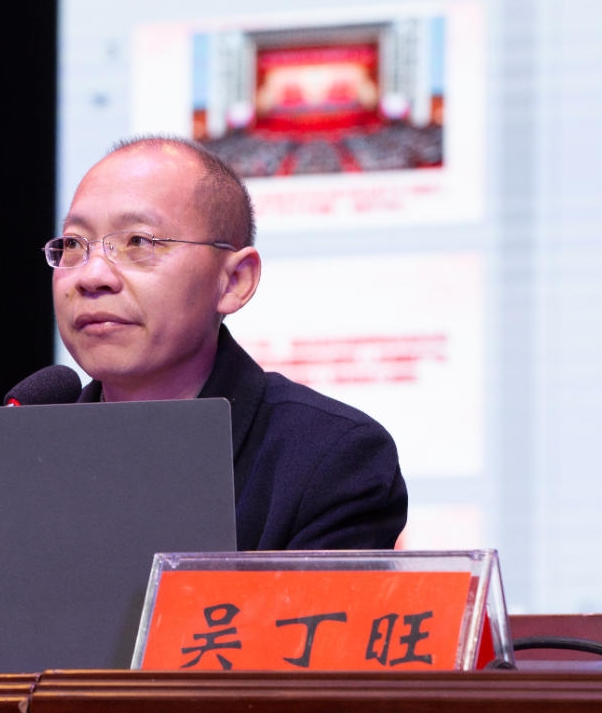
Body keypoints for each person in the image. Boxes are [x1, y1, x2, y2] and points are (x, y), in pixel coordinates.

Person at [45, 134, 407, 551]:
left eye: (138, 242)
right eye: (73, 244)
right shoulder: (33, 454)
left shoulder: (330, 459)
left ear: (235, 281)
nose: (92, 276)